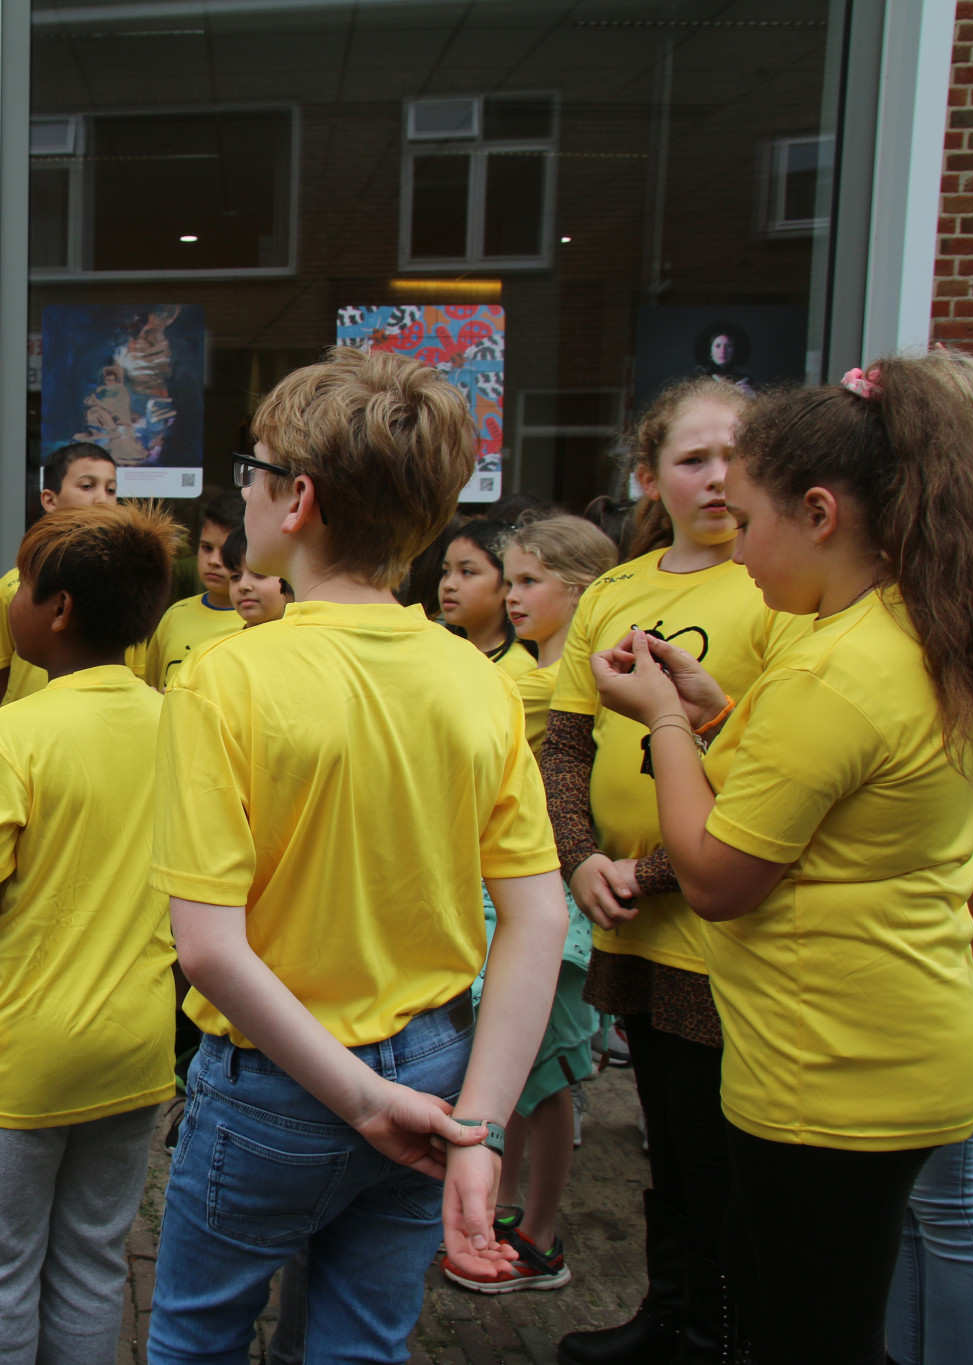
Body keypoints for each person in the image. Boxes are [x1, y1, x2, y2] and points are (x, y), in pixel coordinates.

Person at [585, 357, 973, 1365]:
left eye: (748, 522)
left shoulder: (828, 672)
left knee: (808, 1336)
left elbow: (717, 880)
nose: (734, 550)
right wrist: (714, 712)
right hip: (887, 1043)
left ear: (820, 513)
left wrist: (660, 722)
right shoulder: (913, 628)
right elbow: (851, 795)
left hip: (830, 1068)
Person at [146, 346, 568, 1364]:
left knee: (196, 1339)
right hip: (438, 1063)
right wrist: (480, 1126)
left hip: (280, 1084)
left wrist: (358, 1099)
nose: (241, 489)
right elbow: (538, 915)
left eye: (250, 470)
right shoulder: (477, 683)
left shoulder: (225, 679)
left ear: (295, 500)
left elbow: (205, 950)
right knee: (358, 1347)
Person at [547, 376, 808, 1365]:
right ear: (646, 473)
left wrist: (644, 870)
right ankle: (669, 1316)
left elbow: (770, 770)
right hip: (633, 923)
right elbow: (564, 743)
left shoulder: (777, 585)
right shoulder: (614, 590)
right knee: (666, 1133)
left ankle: (716, 1331)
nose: (716, 476)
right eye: (692, 458)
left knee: (719, 1158)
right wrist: (579, 861)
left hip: (722, 926)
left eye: (734, 455)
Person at [0, 502, 185, 1365]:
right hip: (136, 1048)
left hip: (20, 1056)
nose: (10, 601)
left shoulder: (5, 738)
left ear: (61, 608)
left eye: (22, 587)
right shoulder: (180, 726)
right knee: (89, 1262)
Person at [882, 346, 973, 1365]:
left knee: (948, 1189)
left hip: (970, 931)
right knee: (907, 1194)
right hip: (925, 927)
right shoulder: (926, 577)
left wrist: (969, 973)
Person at [442, 515, 618, 1296]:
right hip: (507, 885)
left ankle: (539, 1233)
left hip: (552, 892)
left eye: (527, 581)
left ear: (579, 592)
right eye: (506, 580)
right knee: (517, 1062)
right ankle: (506, 1208)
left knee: (548, 1073)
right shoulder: (519, 669)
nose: (513, 597)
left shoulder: (563, 683)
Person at [0, 442, 145, 706]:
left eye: (111, 489)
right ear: (50, 499)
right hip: (28, 731)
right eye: (87, 486)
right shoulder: (13, 587)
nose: (101, 498)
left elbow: (137, 670)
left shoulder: (127, 585)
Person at [142, 489, 244, 689]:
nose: (214, 561)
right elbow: (151, 683)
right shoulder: (174, 615)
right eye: (207, 548)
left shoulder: (260, 623)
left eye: (226, 551)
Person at [439, 520, 535, 678]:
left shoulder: (514, 669)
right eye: (446, 571)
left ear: (507, 583)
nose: (448, 585)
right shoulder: (443, 653)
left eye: (467, 572)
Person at [223, 525, 291, 627]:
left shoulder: (307, 640)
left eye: (259, 574)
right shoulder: (221, 642)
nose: (243, 585)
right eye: (235, 577)